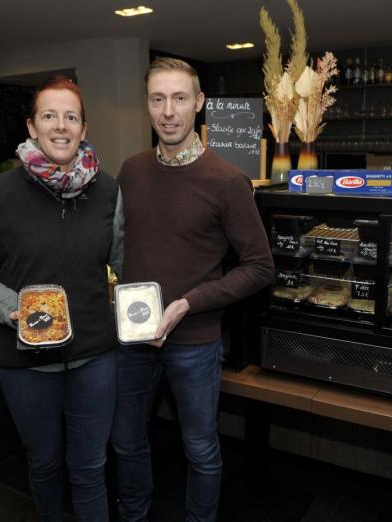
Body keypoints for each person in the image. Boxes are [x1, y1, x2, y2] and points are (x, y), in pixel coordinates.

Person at [111, 57, 274, 522]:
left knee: (200, 449)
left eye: (180, 98)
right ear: (147, 104)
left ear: (199, 103)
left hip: (194, 342)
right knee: (126, 440)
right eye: (158, 98)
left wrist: (188, 303)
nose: (169, 110)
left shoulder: (226, 181)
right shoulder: (132, 170)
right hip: (134, 339)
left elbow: (260, 266)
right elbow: (123, 245)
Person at [0, 76, 124, 521]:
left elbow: (127, 268)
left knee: (90, 469)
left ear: (83, 128)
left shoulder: (108, 190)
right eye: (49, 115)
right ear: (32, 126)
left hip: (95, 358)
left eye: (70, 116)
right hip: (25, 364)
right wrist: (10, 309)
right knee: (45, 465)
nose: (60, 125)